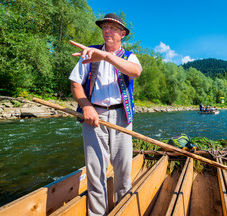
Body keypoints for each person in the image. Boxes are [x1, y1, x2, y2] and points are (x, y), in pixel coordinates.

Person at [68, 13, 142, 216]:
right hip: (93, 117)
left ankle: (122, 210)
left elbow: (135, 72)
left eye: (112, 27)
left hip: (121, 116)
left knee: (123, 168)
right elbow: (75, 83)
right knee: (95, 170)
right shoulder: (88, 55)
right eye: (104, 27)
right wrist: (86, 106)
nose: (106, 30)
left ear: (122, 34)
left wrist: (107, 56)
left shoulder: (130, 57)